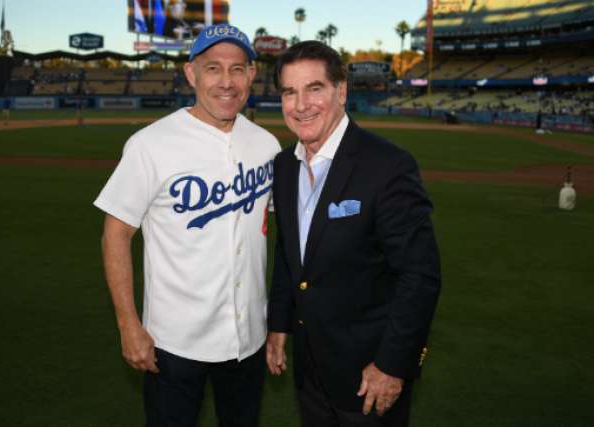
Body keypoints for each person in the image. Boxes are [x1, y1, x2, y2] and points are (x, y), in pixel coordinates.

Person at [94, 24, 280, 427]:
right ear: (191, 74)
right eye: (213, 68)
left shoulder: (267, 146)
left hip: (247, 340)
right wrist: (129, 324)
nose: (226, 82)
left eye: (237, 69)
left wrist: (277, 322)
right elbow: (116, 234)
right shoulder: (150, 144)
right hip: (172, 344)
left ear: (251, 75)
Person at [266, 41, 441, 427]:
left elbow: (420, 276)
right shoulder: (283, 167)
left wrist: (392, 365)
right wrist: (278, 324)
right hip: (310, 369)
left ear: (341, 91)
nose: (301, 105)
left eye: (314, 88)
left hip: (370, 375)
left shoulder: (388, 165)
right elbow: (289, 253)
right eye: (289, 92)